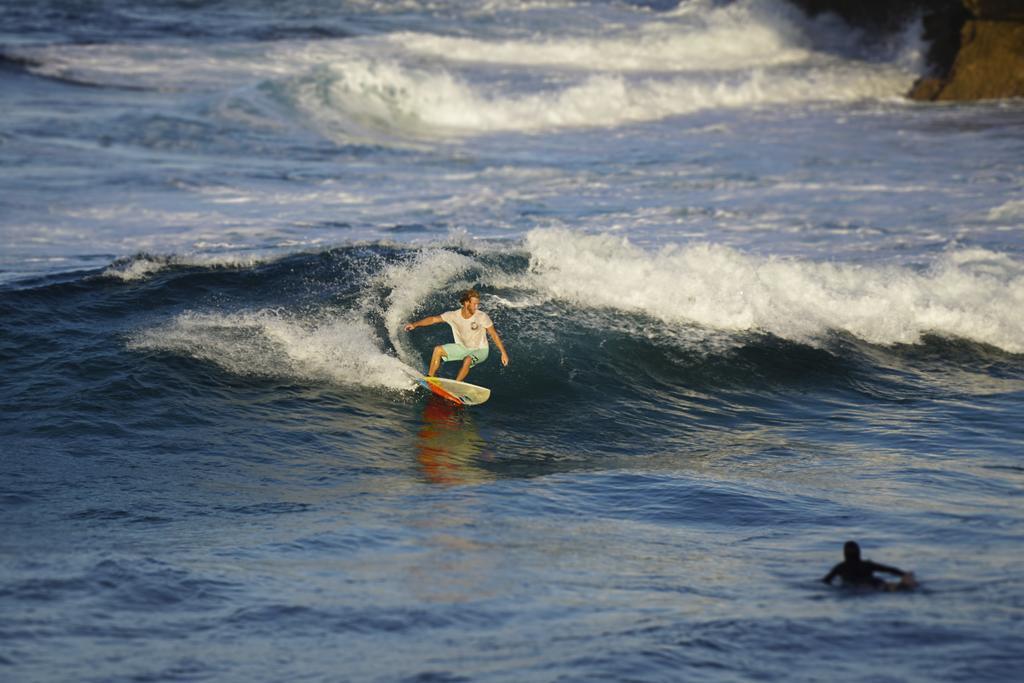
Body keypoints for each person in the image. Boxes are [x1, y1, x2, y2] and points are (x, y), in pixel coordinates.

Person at [403, 288, 509, 381]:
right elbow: (433, 319)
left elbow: (493, 334)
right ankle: (430, 378)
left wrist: (503, 353)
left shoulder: (481, 316)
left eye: (478, 304)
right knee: (438, 350)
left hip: (480, 350)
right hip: (462, 348)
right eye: (474, 304)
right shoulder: (453, 315)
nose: (477, 307)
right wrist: (415, 324)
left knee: (468, 359)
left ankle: (456, 385)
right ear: (467, 303)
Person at [822, 541, 916, 591]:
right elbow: (889, 569)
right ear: (859, 553)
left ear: (844, 553)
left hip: (859, 586)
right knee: (889, 586)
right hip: (875, 582)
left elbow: (826, 581)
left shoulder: (840, 567)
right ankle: (904, 583)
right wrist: (903, 574)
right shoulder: (867, 564)